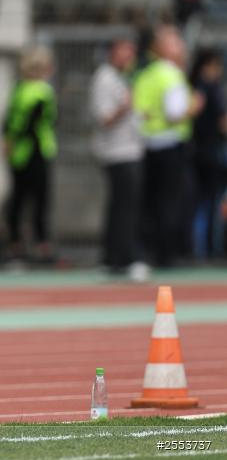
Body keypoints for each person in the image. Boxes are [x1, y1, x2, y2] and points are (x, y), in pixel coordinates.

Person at [133, 25, 203, 269]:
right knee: (172, 202)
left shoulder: (146, 73)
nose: (181, 45)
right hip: (171, 144)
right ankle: (169, 254)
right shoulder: (170, 74)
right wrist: (194, 107)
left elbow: (141, 112)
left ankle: (150, 252)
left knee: (152, 203)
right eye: (175, 41)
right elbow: (175, 114)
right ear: (161, 48)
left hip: (148, 145)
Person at [89, 38, 146, 280]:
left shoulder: (119, 78)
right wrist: (126, 107)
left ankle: (111, 258)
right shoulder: (105, 78)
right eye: (126, 51)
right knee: (125, 208)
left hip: (128, 149)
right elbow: (105, 119)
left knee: (119, 207)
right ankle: (127, 258)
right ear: (113, 52)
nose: (130, 57)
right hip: (118, 152)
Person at [1, 46, 57, 263]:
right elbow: (34, 123)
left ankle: (15, 244)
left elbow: (8, 120)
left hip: (17, 152)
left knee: (18, 198)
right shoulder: (43, 91)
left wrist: (8, 142)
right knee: (40, 200)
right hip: (36, 151)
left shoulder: (19, 89)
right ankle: (41, 244)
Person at [188, 50, 226, 258]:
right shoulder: (212, 89)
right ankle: (211, 249)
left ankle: (200, 248)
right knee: (212, 202)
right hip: (211, 152)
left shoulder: (194, 88)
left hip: (197, 151)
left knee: (201, 202)